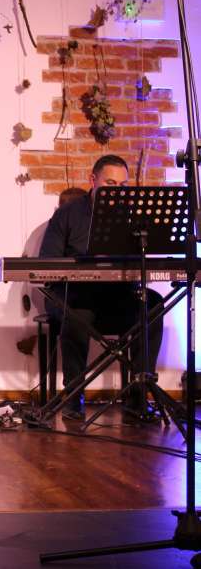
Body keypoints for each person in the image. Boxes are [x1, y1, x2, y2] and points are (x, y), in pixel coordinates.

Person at [38, 155, 164, 419]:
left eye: (123, 185)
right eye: (110, 183)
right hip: (76, 297)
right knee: (77, 312)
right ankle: (74, 395)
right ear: (93, 180)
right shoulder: (67, 214)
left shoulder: (132, 217)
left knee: (152, 303)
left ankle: (138, 397)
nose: (117, 191)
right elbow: (47, 263)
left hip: (116, 297)